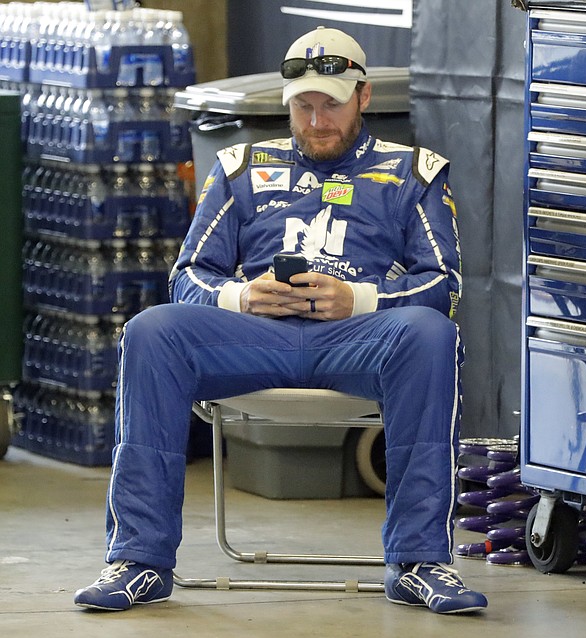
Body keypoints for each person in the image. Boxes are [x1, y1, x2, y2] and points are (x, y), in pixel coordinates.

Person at [73, 27, 487, 615]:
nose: (317, 122)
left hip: (357, 337)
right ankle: (138, 561)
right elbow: (187, 277)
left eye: (332, 106)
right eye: (304, 106)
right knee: (151, 331)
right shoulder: (239, 167)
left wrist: (359, 299)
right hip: (255, 336)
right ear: (286, 102)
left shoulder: (414, 172)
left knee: (431, 334)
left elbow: (443, 284)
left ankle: (419, 561)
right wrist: (244, 297)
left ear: (364, 98)